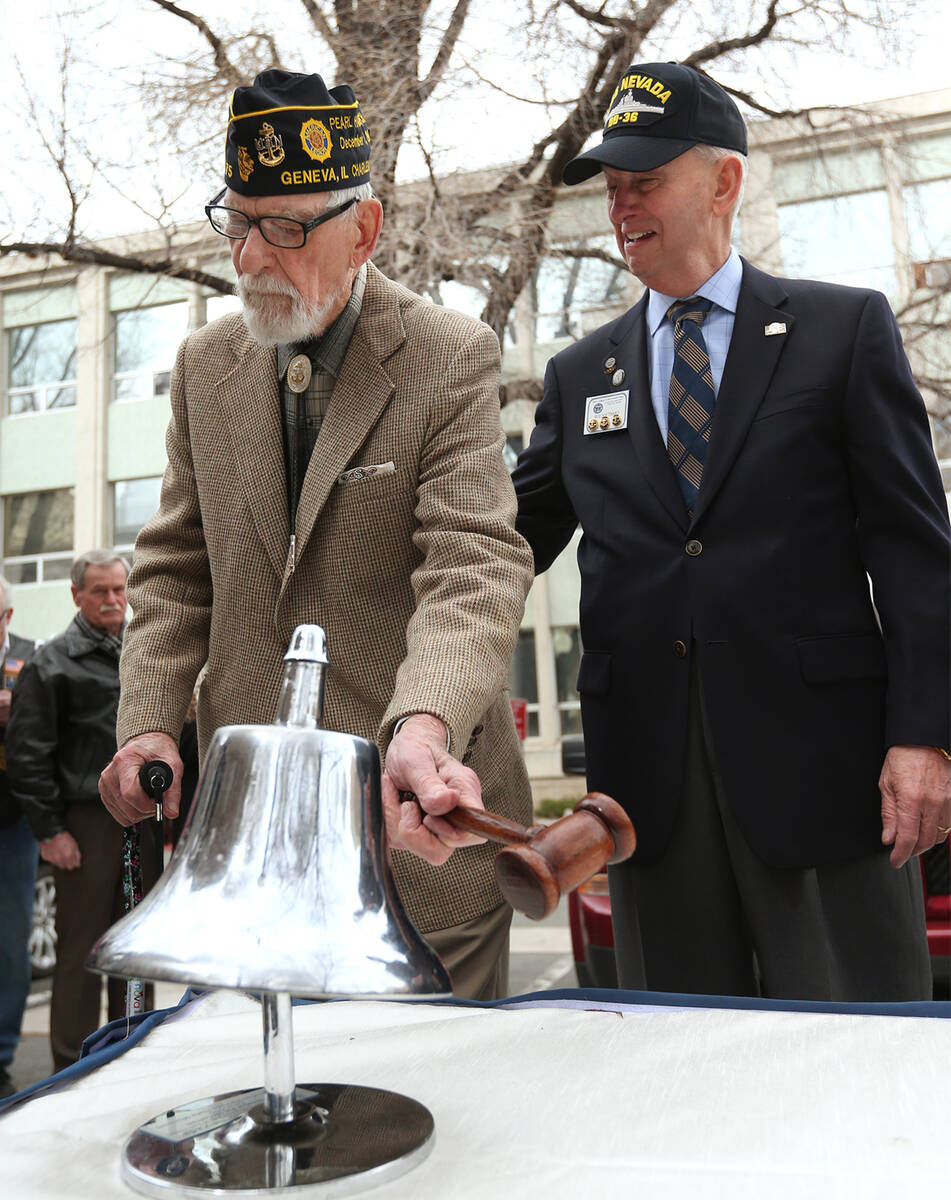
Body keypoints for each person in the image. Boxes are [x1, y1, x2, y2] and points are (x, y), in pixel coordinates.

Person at [512, 61, 951, 1001]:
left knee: (851, 1056)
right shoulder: (581, 374)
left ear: (723, 180)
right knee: (680, 1064)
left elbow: (914, 555)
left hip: (823, 780)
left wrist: (925, 738)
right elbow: (501, 547)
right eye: (613, 188)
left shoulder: (842, 330)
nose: (622, 207)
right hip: (649, 793)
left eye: (645, 181)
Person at [98, 70, 533, 1002]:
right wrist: (143, 723)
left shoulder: (449, 354)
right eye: (238, 222)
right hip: (250, 861)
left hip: (414, 841)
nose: (251, 256)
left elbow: (472, 564)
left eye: (286, 229)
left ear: (363, 230)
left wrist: (424, 724)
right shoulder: (204, 365)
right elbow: (175, 570)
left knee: (432, 1121)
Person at [7, 551, 160, 1070]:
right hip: (85, 824)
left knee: (134, 947)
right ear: (76, 595)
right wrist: (50, 832)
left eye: (120, 589)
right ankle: (71, 1070)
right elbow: (27, 757)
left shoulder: (145, 653)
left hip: (139, 820)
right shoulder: (51, 664)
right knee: (81, 955)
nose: (114, 600)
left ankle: (133, 1051)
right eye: (100, 591)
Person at [0, 579, 36, 1097]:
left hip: (15, 820)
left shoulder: (33, 658)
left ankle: (4, 1049)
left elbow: (46, 734)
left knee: (10, 940)